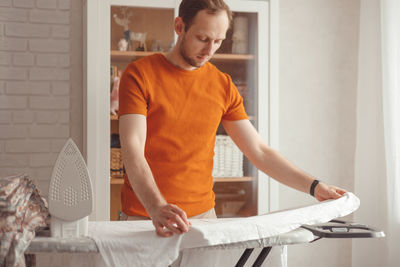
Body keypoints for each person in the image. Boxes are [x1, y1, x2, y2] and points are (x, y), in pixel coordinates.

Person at [118, 0, 347, 238]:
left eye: (218, 41)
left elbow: (259, 151)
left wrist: (314, 186)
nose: (209, 50)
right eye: (202, 38)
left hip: (203, 219)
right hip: (144, 216)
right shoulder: (140, 74)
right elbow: (133, 150)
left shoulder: (222, 85)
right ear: (179, 26)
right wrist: (156, 206)